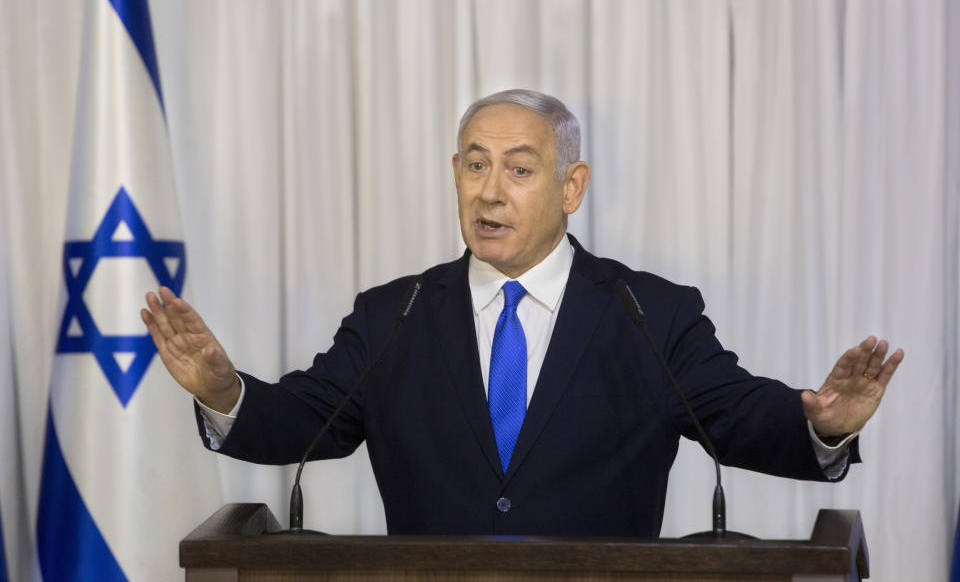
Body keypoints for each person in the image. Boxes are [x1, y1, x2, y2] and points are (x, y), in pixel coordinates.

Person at [141, 89, 904, 536]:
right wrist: (223, 391)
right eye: (475, 165)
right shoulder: (395, 315)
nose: (489, 191)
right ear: (454, 175)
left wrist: (822, 422)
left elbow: (738, 417)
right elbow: (307, 422)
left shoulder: (649, 313)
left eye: (519, 169)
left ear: (572, 187)